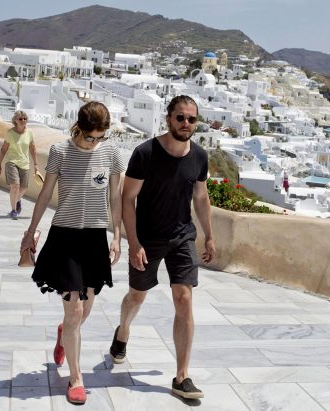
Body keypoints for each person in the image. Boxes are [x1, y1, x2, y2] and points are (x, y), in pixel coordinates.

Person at [110, 95, 215, 400]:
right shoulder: (145, 153)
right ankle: (123, 331)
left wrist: (208, 235)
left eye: (191, 119)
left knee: (184, 299)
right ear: (168, 118)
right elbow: (128, 199)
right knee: (136, 296)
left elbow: (201, 197)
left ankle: (182, 377)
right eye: (180, 118)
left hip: (182, 236)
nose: (186, 124)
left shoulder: (199, 156)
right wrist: (134, 242)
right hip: (148, 237)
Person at [21, 101, 124, 405]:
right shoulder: (60, 152)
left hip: (95, 239)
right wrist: (30, 232)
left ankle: (64, 333)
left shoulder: (111, 153)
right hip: (64, 238)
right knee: (75, 310)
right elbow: (44, 194)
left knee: (84, 309)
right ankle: (76, 378)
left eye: (100, 138)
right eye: (90, 137)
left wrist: (117, 237)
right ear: (79, 128)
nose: (95, 143)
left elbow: (115, 198)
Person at [0, 111, 38, 219]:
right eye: (20, 119)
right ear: (15, 120)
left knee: (23, 188)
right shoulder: (10, 133)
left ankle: (18, 199)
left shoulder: (29, 133)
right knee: (15, 186)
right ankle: (14, 210)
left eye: (25, 118)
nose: (23, 120)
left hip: (25, 163)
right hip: (11, 162)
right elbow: (4, 149)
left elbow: (33, 148)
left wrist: (36, 164)